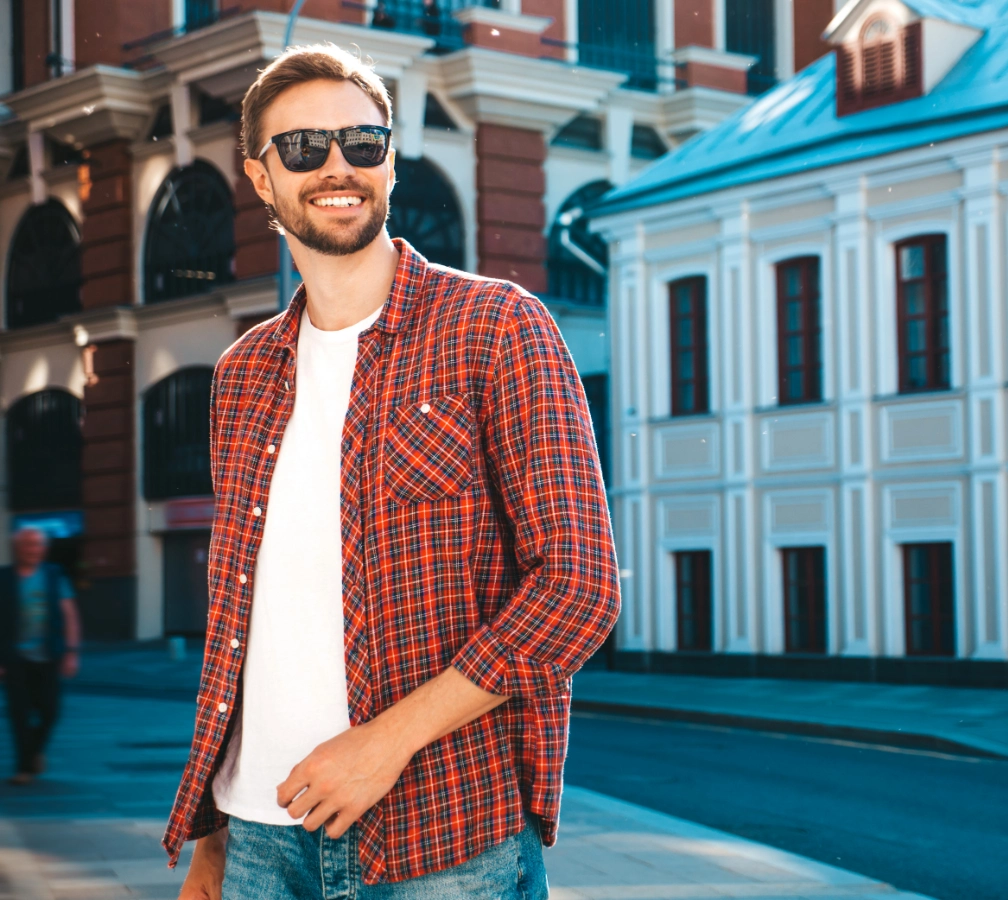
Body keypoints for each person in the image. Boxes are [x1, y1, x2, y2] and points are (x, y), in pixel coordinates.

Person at [163, 43, 620, 900]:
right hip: (259, 840)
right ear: (261, 181)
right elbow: (244, 616)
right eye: (301, 148)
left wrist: (385, 743)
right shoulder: (241, 375)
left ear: (391, 161)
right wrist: (215, 836)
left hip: (442, 840)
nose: (335, 166)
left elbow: (580, 588)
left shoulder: (497, 329)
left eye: (361, 143)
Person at [0, 526, 81, 785]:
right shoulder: (4, 578)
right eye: (27, 544)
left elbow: (69, 614)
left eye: (36, 545)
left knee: (50, 711)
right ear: (18, 547)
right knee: (19, 714)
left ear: (43, 549)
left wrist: (71, 652)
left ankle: (34, 752)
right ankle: (24, 768)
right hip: (14, 660)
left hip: (49, 656)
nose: (32, 550)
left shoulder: (54, 575)